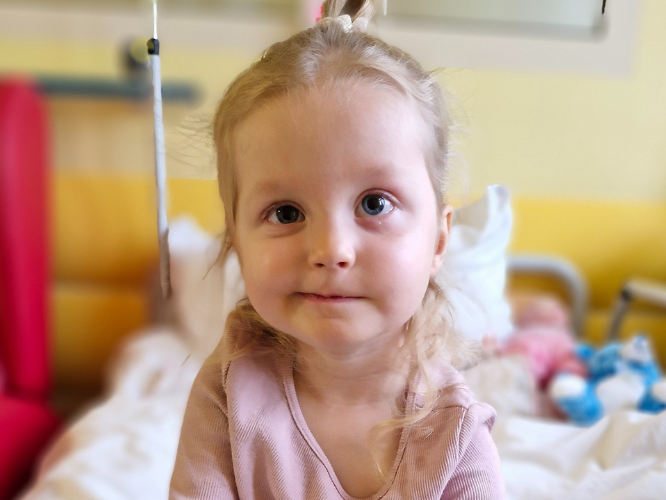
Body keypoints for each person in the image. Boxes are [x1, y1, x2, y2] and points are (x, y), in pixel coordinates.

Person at [169, 1, 503, 498]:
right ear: (236, 239)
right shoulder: (228, 394)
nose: (331, 250)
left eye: (374, 204)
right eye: (286, 213)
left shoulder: (455, 436)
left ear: (438, 239)